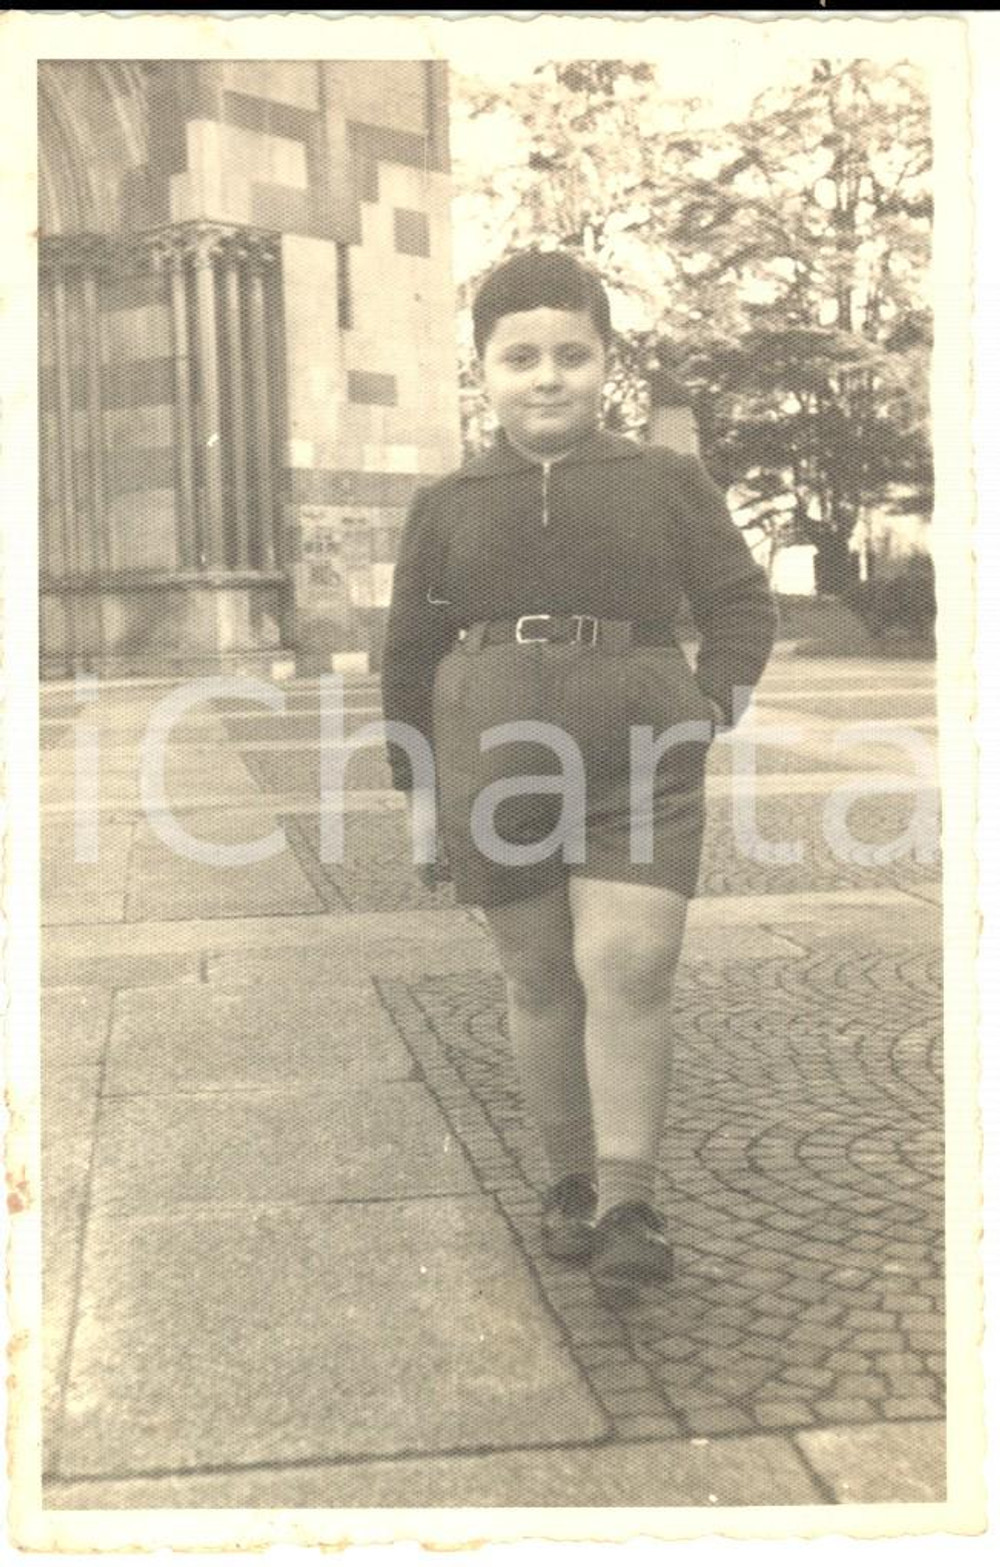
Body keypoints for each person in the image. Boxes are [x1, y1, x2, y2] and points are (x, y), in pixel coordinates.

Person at [381, 249, 777, 1306]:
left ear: (606, 362)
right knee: (538, 975)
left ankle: (627, 1199)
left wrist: (711, 700)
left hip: (642, 753)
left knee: (632, 964)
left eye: (570, 353)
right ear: (483, 372)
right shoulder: (447, 501)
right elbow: (406, 662)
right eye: (519, 357)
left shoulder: (664, 479)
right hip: (491, 762)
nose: (545, 376)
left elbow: (740, 602)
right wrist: (420, 796)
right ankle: (565, 1180)